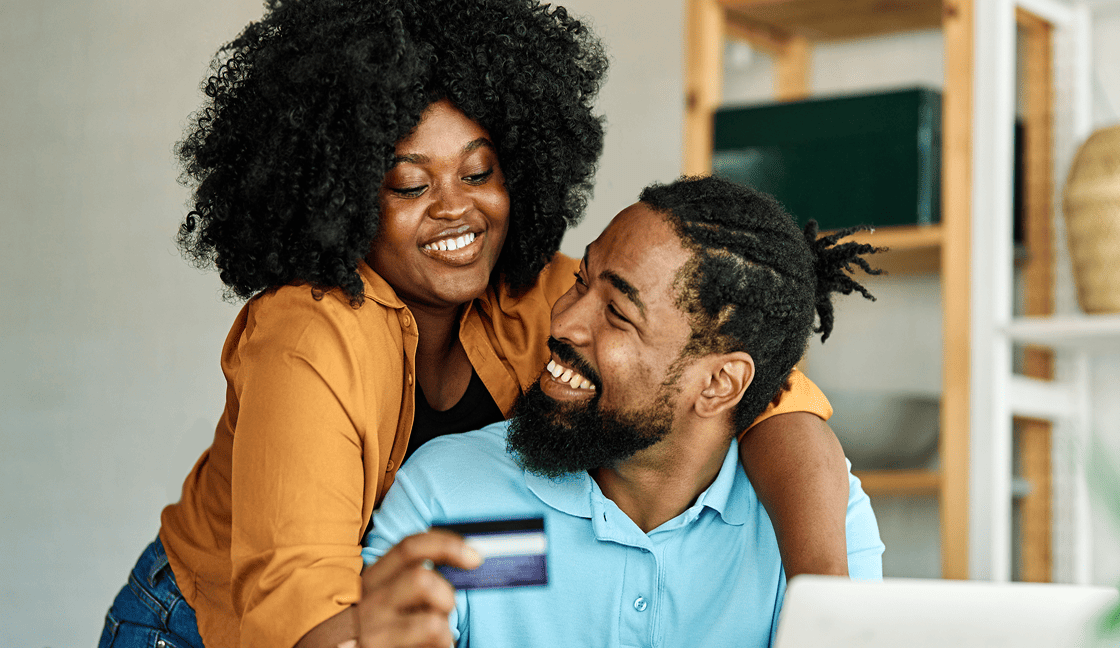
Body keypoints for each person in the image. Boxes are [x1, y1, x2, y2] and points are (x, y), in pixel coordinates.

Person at [98, 2, 854, 648]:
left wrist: (830, 607)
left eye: (479, 171)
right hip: (203, 625)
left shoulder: (550, 295)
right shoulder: (306, 339)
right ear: (340, 193)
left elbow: (763, 392)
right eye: (409, 183)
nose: (455, 208)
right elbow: (296, 612)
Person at [358, 176, 885, 648]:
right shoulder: (454, 496)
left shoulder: (810, 523)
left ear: (720, 383)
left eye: (617, 313)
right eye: (581, 280)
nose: (563, 322)